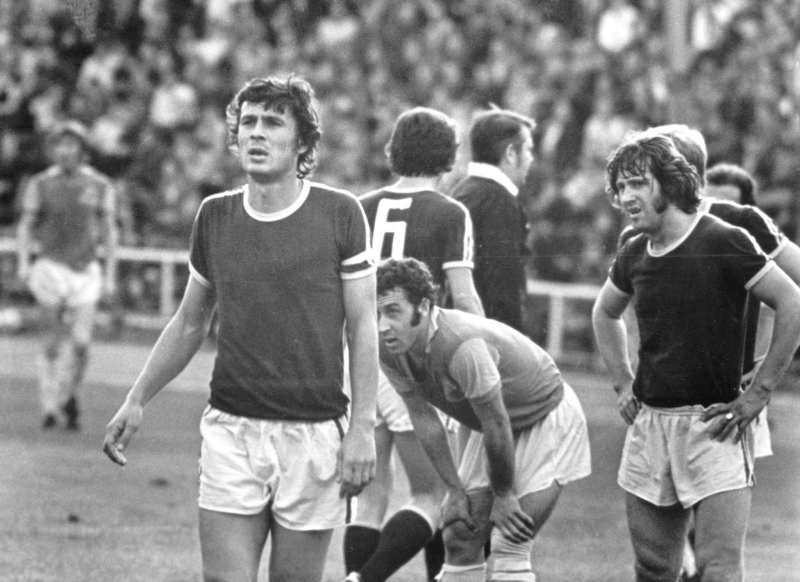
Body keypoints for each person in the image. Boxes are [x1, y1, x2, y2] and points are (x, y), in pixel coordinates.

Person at [102, 76, 379, 582]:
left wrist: (362, 427)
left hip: (315, 433)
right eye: (247, 122)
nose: (256, 132)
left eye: (272, 122)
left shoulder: (341, 213)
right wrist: (137, 397)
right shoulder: (215, 215)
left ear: (303, 142)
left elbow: (363, 326)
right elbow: (190, 322)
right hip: (232, 429)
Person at [592, 132, 800, 582]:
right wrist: (623, 383)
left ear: (670, 183)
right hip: (651, 425)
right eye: (621, 187)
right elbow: (604, 313)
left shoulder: (724, 238)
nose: (626, 197)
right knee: (653, 568)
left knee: (717, 568)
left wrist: (760, 392)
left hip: (715, 425)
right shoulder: (634, 250)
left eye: (638, 184)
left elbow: (793, 301)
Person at [376, 257, 591, 582]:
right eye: (377, 313)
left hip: (546, 415)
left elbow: (496, 422)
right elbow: (424, 418)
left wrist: (503, 495)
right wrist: (454, 489)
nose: (382, 325)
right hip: (495, 423)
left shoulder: (462, 345)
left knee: (510, 539)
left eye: (393, 311)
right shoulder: (390, 348)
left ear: (424, 306)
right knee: (459, 535)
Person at [345, 107, 484, 582]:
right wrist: (480, 353)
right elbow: (463, 295)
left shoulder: (361, 206)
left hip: (360, 355)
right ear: (448, 156)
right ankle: (362, 580)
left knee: (370, 496)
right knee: (434, 494)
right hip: (411, 360)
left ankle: (357, 575)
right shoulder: (450, 212)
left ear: (395, 151)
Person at [16, 120, 118, 430]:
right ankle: (50, 405)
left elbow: (108, 231)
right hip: (50, 267)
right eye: (59, 144)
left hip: (85, 270)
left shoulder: (99, 184)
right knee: (51, 343)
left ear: (83, 150)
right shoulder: (40, 184)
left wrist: (110, 274)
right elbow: (26, 225)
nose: (64, 151)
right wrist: (24, 263)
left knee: (82, 343)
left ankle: (68, 395)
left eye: (71, 144)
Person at [451, 108, 534, 332]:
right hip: (483, 337)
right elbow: (503, 288)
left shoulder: (460, 191)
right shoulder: (499, 202)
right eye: (528, 149)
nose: (530, 158)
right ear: (510, 154)